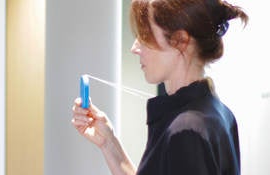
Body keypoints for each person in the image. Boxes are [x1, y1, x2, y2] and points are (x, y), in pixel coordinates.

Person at [72, 0, 248, 174]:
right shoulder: (218, 113)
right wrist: (108, 143)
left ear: (181, 40)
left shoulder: (186, 130)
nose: (135, 48)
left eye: (145, 35)